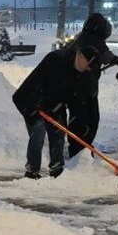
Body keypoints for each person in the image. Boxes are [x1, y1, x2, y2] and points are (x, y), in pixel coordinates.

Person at [12, 38, 108, 179]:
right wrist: (36, 104)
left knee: (58, 133)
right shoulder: (55, 60)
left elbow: (78, 103)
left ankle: (56, 168)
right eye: (88, 64)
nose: (89, 69)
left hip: (55, 104)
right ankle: (32, 170)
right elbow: (34, 83)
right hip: (33, 102)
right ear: (81, 56)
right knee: (38, 132)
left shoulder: (82, 75)